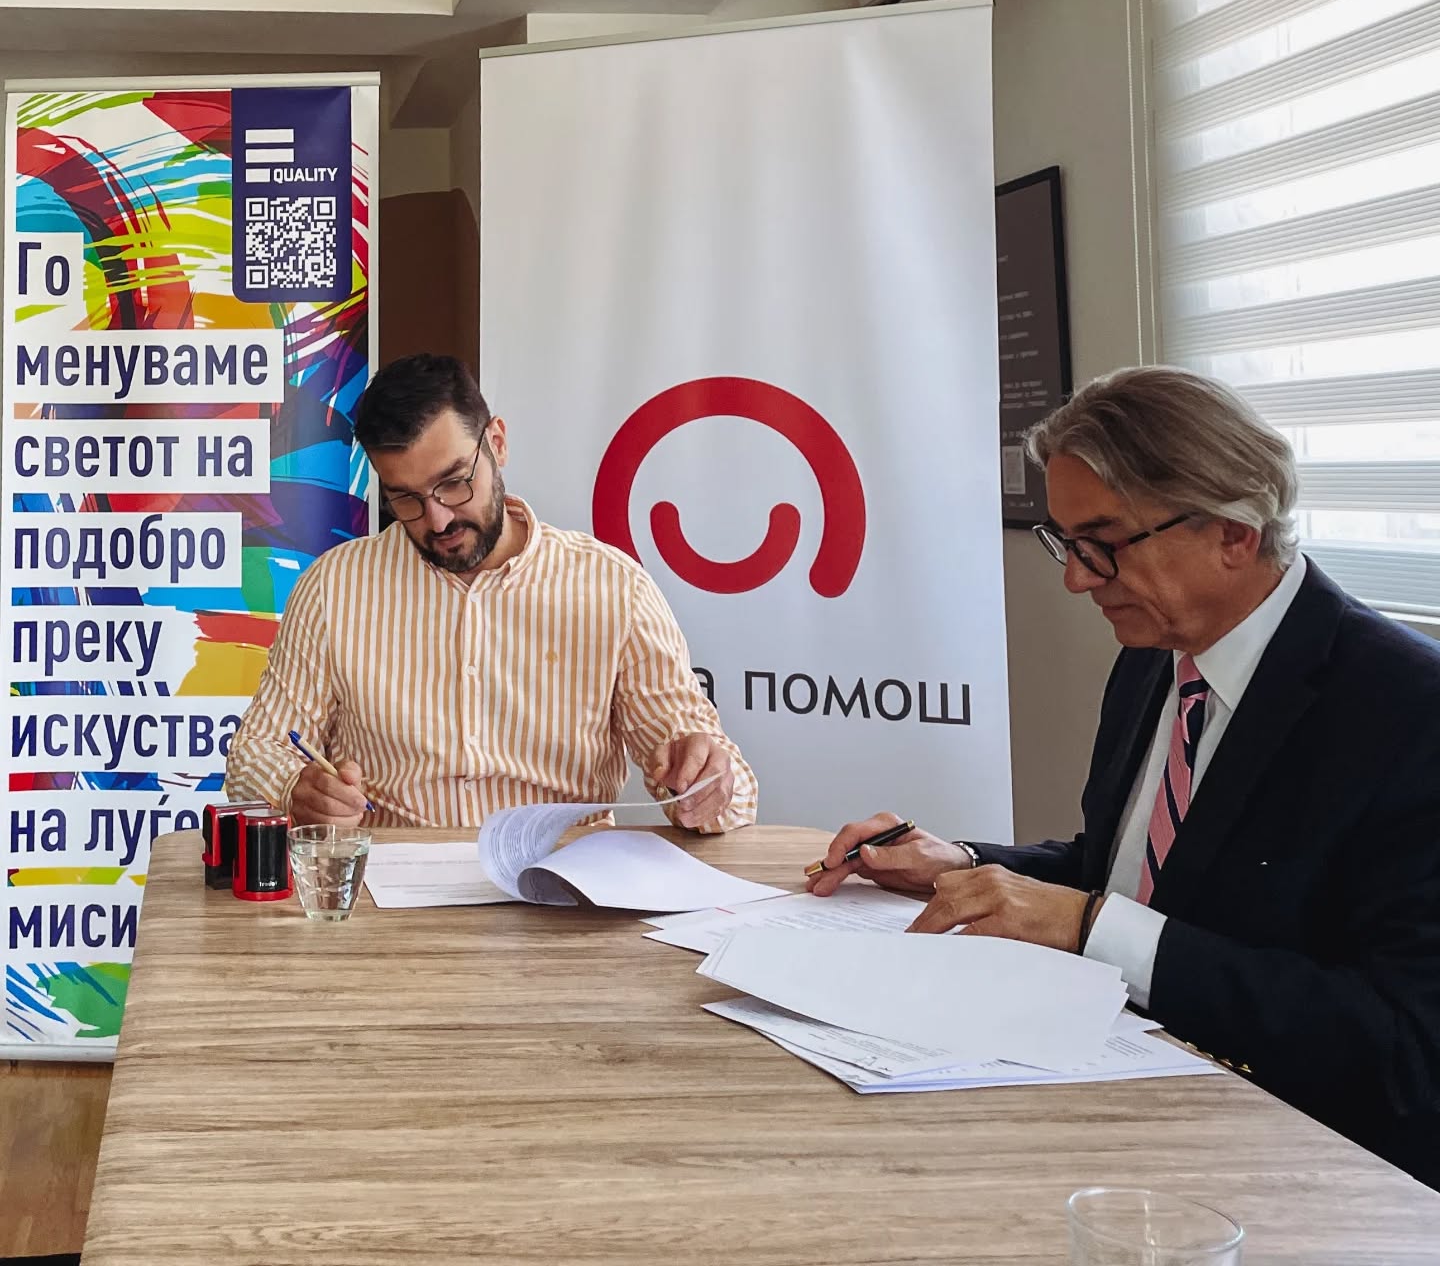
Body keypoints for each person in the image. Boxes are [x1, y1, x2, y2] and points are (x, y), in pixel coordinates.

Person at [809, 366, 1440, 1185]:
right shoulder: (1155, 657)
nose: (1075, 578)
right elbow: (1136, 876)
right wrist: (964, 866)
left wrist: (1090, 925)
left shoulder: (1407, 712)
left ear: (1233, 532)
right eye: (1067, 543)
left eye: (1103, 544)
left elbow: (1405, 1045)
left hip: (1304, 1166)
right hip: (1120, 1104)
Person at [227, 353, 757, 833]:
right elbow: (256, 751)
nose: (438, 519)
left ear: (497, 443)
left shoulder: (613, 588)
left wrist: (703, 783)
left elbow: (726, 793)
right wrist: (295, 788)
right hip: (390, 892)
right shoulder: (335, 587)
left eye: (454, 482)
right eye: (406, 499)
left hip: (561, 887)